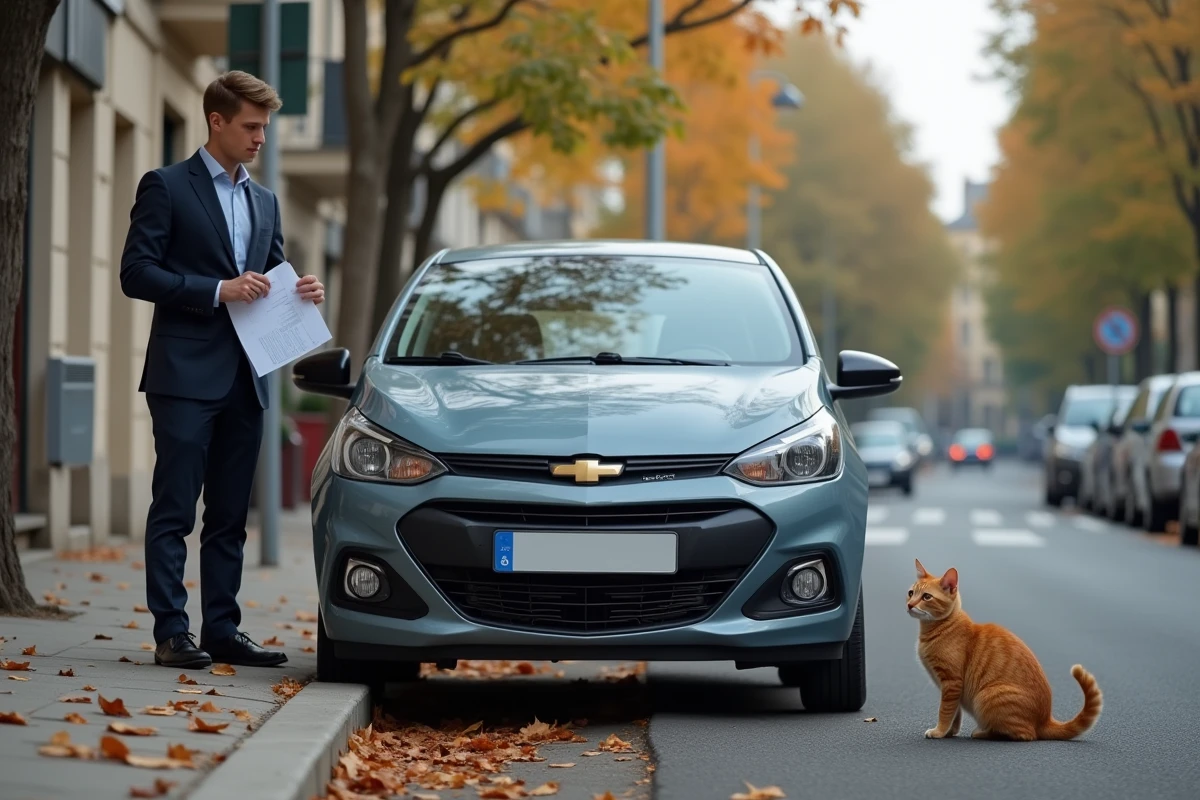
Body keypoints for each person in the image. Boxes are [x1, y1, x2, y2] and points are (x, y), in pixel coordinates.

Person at [119, 71, 325, 669]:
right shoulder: (165, 186)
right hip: (183, 374)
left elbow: (273, 277)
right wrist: (218, 290)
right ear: (217, 121)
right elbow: (137, 273)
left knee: (231, 514)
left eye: (264, 127)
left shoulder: (265, 200)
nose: (261, 137)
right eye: (251, 126)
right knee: (175, 507)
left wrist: (301, 289)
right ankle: (170, 631)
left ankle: (223, 628)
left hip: (248, 377)